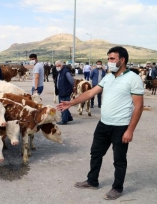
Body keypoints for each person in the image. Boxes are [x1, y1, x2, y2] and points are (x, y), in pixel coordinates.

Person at [57, 46, 144, 200]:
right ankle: (92, 181)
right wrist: (71, 103)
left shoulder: (133, 78)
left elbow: (139, 106)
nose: (108, 62)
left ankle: (117, 188)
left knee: (119, 159)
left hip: (121, 126)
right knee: (95, 153)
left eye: (112, 59)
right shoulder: (108, 77)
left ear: (122, 60)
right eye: (108, 59)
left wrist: (130, 130)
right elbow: (91, 92)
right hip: (103, 124)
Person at [55, 60, 74, 125]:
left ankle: (64, 120)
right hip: (60, 91)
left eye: (58, 66)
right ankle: (69, 117)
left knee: (63, 106)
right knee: (63, 105)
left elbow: (72, 81)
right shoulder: (60, 72)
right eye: (56, 66)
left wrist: (69, 89)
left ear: (61, 65)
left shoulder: (66, 72)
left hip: (65, 91)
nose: (57, 67)